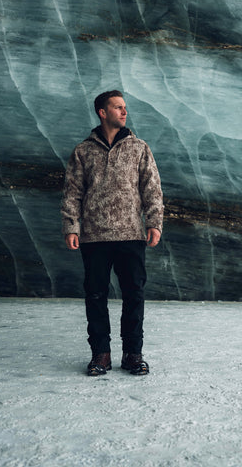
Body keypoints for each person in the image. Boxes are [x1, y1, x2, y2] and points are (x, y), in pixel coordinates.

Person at [61, 90, 163, 376]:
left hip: (131, 233)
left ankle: (133, 354)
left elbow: (152, 189)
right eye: (118, 107)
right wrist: (72, 225)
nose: (124, 112)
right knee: (95, 296)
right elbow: (72, 193)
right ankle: (101, 355)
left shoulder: (139, 148)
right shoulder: (83, 151)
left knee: (134, 295)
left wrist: (154, 222)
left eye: (125, 107)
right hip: (94, 236)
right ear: (102, 112)